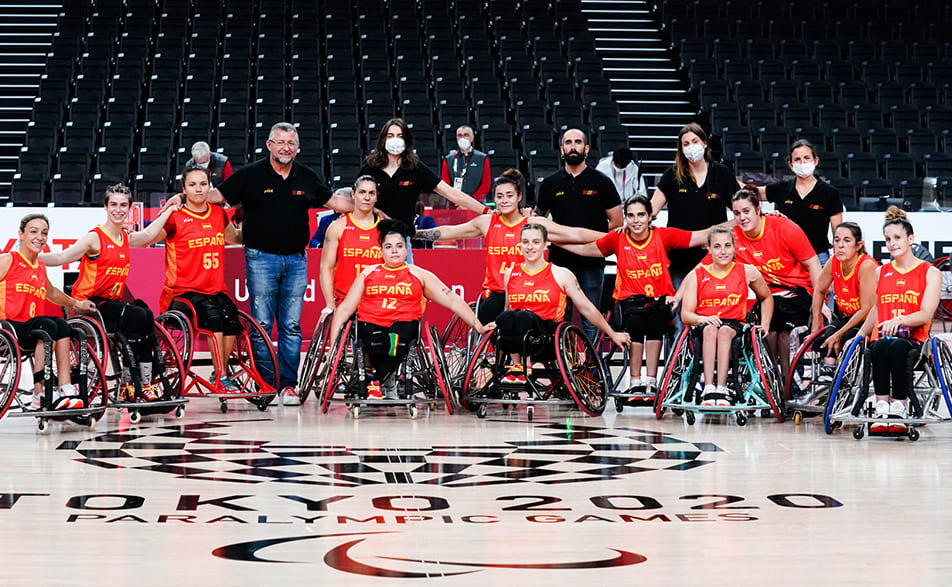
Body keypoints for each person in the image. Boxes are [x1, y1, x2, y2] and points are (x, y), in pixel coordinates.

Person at [210, 122, 355, 406]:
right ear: (269, 145)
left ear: (297, 147)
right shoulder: (250, 175)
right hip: (259, 258)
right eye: (280, 142)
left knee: (290, 326)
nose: (286, 147)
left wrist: (368, 205)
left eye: (291, 143)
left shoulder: (306, 177)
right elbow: (218, 196)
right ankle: (266, 384)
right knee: (262, 323)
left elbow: (336, 201)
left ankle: (288, 386)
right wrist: (184, 198)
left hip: (296, 260)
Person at [560, 195, 718, 398]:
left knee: (656, 321)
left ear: (650, 216)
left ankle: (651, 381)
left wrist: (736, 225)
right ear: (625, 218)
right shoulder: (617, 238)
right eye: (631, 216)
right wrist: (554, 241)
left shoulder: (663, 236)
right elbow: (587, 249)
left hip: (658, 301)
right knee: (635, 322)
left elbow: (702, 235)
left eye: (641, 215)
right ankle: (635, 382)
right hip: (628, 302)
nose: (636, 220)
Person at [39, 184, 181, 402]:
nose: (118, 209)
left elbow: (150, 234)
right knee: (136, 315)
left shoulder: (125, 237)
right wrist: (31, 258)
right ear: (105, 207)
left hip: (110, 305)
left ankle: (144, 383)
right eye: (113, 204)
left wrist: (170, 209)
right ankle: (128, 383)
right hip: (88, 305)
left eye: (123, 205)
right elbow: (61, 258)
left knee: (145, 313)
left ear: (130, 208)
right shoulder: (94, 238)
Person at [413, 169, 605, 324]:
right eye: (499, 196)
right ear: (494, 199)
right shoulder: (487, 222)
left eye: (509, 195)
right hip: (497, 293)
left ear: (519, 197)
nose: (504, 200)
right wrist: (413, 233)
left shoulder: (533, 223)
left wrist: (612, 236)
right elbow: (448, 232)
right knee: (488, 323)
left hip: (529, 293)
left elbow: (575, 234)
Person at [330, 220, 491, 399]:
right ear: (381, 251)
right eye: (388, 246)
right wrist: (332, 350)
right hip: (372, 321)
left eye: (399, 246)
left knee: (397, 344)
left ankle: (375, 383)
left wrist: (479, 326)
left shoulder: (419, 274)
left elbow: (452, 300)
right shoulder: (368, 274)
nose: (394, 250)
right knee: (376, 344)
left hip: (404, 323)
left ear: (406, 250)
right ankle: (383, 379)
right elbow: (344, 310)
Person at [147, 166, 243, 391]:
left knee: (231, 320)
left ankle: (221, 371)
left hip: (216, 289)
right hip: (183, 293)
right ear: (183, 189)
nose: (198, 189)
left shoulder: (218, 214)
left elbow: (236, 238)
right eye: (192, 185)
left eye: (203, 184)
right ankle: (220, 375)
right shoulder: (175, 217)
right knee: (214, 319)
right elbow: (149, 236)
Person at [495, 223, 630, 383]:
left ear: (545, 245)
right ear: (520, 244)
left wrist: (612, 333)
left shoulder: (561, 274)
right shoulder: (511, 273)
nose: (530, 247)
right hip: (519, 337)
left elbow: (586, 307)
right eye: (525, 242)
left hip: (548, 336)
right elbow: (507, 309)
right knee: (505, 318)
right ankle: (517, 367)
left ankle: (526, 366)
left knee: (524, 317)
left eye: (536, 242)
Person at [721, 186, 821, 380]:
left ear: (758, 209)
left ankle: (788, 384)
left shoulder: (783, 227)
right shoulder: (732, 238)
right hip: (768, 298)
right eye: (737, 213)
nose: (742, 217)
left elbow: (813, 264)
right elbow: (706, 263)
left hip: (797, 293)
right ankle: (773, 385)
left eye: (746, 211)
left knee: (785, 335)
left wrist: (820, 303)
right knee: (768, 333)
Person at [0, 214, 97, 411]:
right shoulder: (9, 260)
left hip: (31, 328)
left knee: (61, 324)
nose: (39, 237)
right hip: (8, 328)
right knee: (48, 325)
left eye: (44, 233)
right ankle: (38, 392)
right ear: (21, 234)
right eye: (33, 232)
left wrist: (77, 303)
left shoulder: (40, 267)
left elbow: (52, 293)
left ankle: (65, 388)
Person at [534, 128, 623, 340]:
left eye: (578, 142)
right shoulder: (550, 183)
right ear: (561, 148)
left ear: (586, 148)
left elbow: (617, 222)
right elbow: (539, 221)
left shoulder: (601, 182)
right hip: (559, 262)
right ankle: (560, 368)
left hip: (592, 261)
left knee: (591, 321)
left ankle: (592, 370)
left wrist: (587, 239)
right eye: (568, 142)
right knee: (557, 319)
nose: (573, 147)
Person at [858, 206, 941, 434]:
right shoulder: (881, 271)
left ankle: (900, 405)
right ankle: (882, 404)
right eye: (887, 239)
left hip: (914, 340)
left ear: (911, 239)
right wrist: (858, 336)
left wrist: (901, 320)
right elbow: (877, 307)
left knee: (896, 346)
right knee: (882, 345)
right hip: (883, 338)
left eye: (897, 238)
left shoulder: (930, 272)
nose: (892, 243)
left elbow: (926, 313)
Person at [359, 118, 486, 252]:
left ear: (406, 140)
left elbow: (450, 192)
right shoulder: (370, 168)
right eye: (390, 136)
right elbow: (354, 197)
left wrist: (486, 210)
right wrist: (374, 210)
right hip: (371, 238)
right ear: (383, 139)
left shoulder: (416, 168)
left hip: (402, 241)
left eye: (400, 136)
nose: (395, 140)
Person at [679, 227, 773, 406]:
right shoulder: (696, 275)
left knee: (723, 332)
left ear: (734, 247)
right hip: (705, 322)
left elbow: (767, 297)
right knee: (710, 330)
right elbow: (685, 314)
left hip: (735, 324)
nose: (723, 251)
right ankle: (708, 387)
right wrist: (701, 319)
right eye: (717, 246)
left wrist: (766, 323)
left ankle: (721, 387)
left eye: (727, 246)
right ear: (709, 248)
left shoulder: (747, 271)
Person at [650, 123, 743, 292]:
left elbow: (742, 212)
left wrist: (718, 230)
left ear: (705, 143)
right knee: (680, 313)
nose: (691, 147)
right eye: (686, 144)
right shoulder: (672, 175)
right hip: (679, 258)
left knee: (714, 312)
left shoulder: (722, 173)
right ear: (681, 149)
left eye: (695, 141)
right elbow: (650, 211)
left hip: (714, 257)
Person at [763, 139, 844, 266]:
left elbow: (838, 232)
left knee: (820, 287)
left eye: (807, 158)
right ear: (791, 165)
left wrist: (838, 263)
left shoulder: (829, 193)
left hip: (818, 257)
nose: (802, 163)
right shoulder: (782, 189)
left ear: (815, 161)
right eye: (797, 159)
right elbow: (751, 193)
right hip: (787, 258)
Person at [809, 222, 878, 367]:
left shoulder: (866, 266)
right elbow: (819, 289)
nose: (840, 245)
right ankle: (829, 376)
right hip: (845, 317)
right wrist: (815, 326)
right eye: (836, 240)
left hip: (867, 321)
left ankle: (842, 379)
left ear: (858, 245)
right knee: (827, 340)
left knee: (843, 338)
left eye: (847, 241)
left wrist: (839, 334)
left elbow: (866, 310)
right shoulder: (834, 261)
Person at [320, 176, 383, 313]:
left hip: (377, 303)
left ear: (376, 197)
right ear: (353, 195)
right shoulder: (337, 227)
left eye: (371, 193)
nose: (367, 197)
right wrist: (330, 303)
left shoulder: (385, 229)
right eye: (362, 192)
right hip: (344, 302)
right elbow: (326, 268)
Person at [440, 124, 492, 200]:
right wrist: (456, 202)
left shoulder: (482, 158)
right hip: (454, 204)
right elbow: (445, 186)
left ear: (472, 138)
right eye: (459, 135)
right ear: (456, 138)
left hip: (477, 204)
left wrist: (471, 203)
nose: (462, 138)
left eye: (466, 135)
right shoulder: (448, 159)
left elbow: (486, 185)